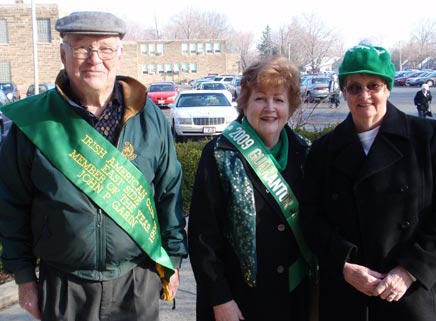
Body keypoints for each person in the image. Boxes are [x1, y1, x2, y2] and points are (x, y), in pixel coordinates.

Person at [0, 11, 187, 321]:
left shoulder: (149, 116)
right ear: (63, 54)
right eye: (82, 48)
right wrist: (23, 278)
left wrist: (174, 260)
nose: (94, 59)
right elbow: (11, 205)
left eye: (105, 49)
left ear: (120, 54)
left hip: (136, 281)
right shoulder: (34, 123)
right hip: (63, 286)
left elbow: (169, 192)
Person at [301, 44, 436, 321]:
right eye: (354, 87)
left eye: (373, 85)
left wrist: (410, 270)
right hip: (348, 296)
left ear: (388, 88)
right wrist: (343, 265)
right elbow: (311, 219)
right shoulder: (324, 150)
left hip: (412, 294)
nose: (364, 95)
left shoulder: (428, 138)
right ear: (344, 92)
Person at [188, 56, 316, 321]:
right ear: (245, 103)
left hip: (295, 300)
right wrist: (220, 298)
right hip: (239, 302)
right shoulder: (219, 154)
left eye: (278, 99)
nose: (270, 108)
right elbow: (203, 238)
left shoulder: (305, 154)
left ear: (290, 106)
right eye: (260, 98)